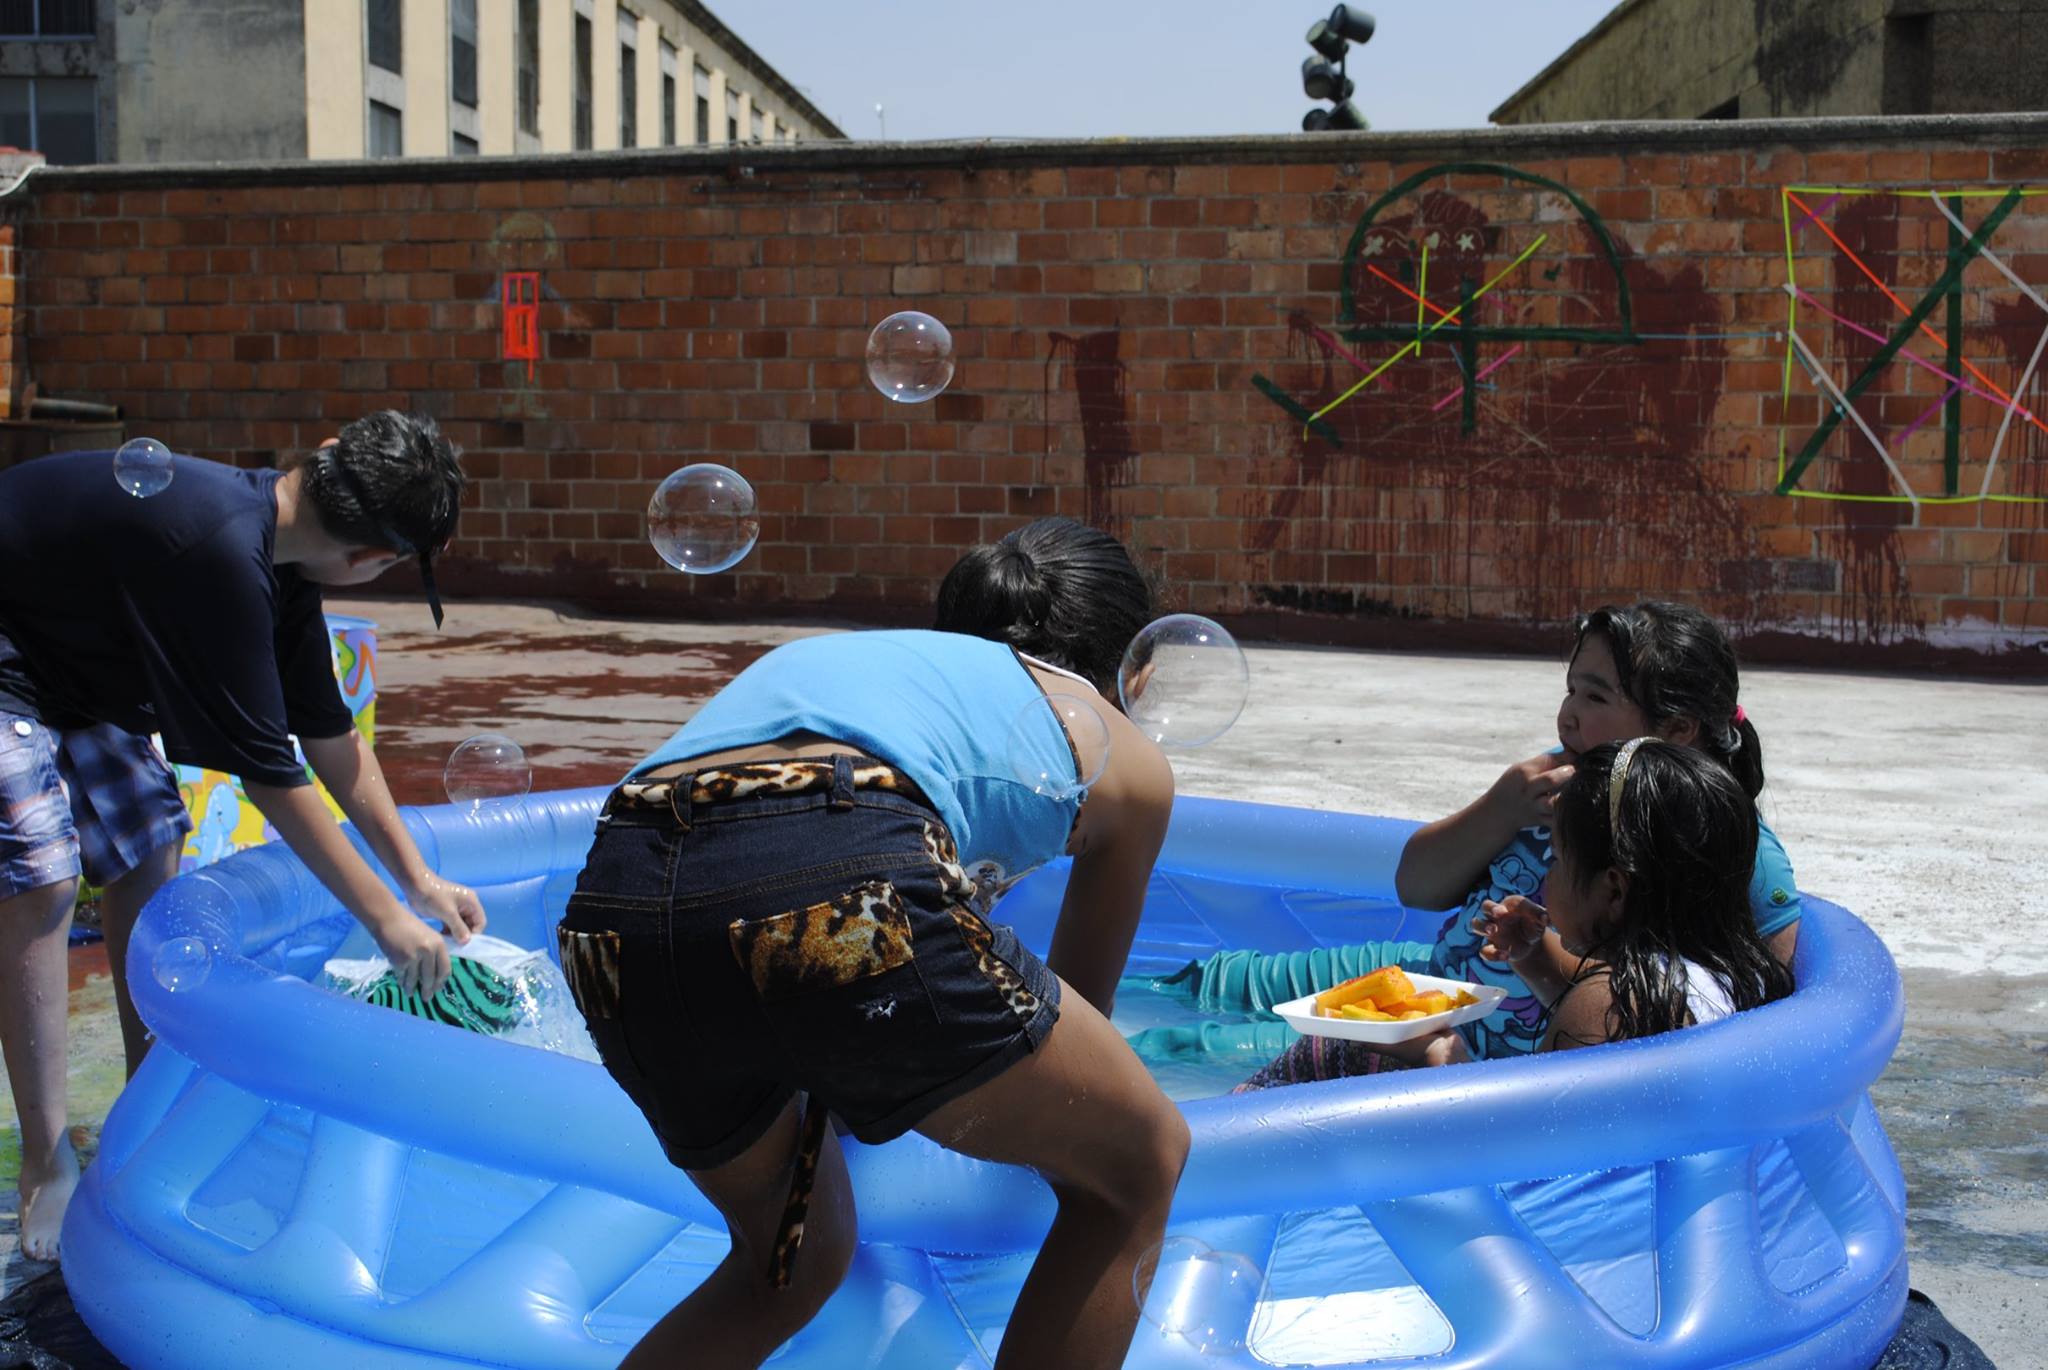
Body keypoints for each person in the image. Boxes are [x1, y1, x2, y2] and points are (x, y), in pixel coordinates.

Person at [557, 517, 1187, 1370]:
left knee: (787, 1263)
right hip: (838, 861)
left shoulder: (865, 663)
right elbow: (1084, 1014)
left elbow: (740, 871)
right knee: (1138, 1164)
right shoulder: (1127, 755)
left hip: (614, 914)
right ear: (1134, 671)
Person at [0, 411, 486, 1261]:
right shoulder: (219, 552)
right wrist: (384, 921)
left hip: (67, 661)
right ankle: (44, 1162)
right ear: (371, 560)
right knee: (42, 875)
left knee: (148, 837)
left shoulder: (282, 560)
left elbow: (329, 736)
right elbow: (270, 773)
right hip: (11, 651)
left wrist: (418, 880)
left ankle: (147, 1102)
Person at [1156, 600, 1801, 1061]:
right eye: (1571, 690)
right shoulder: (1553, 783)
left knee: (1199, 1047)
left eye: (1596, 698)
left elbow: (1756, 1010)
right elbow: (1417, 888)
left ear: (1678, 729)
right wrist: (1503, 806)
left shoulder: (1733, 850)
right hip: (1433, 980)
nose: (1568, 716)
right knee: (1211, 980)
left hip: (1483, 1051)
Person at [1239, 738, 1795, 1086]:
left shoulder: (1605, 1010)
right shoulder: (1716, 975)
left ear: (1614, 891)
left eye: (1559, 857)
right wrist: (1534, 960)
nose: (1547, 876)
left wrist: (1444, 1059)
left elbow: (1533, 1161)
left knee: (1333, 1052)